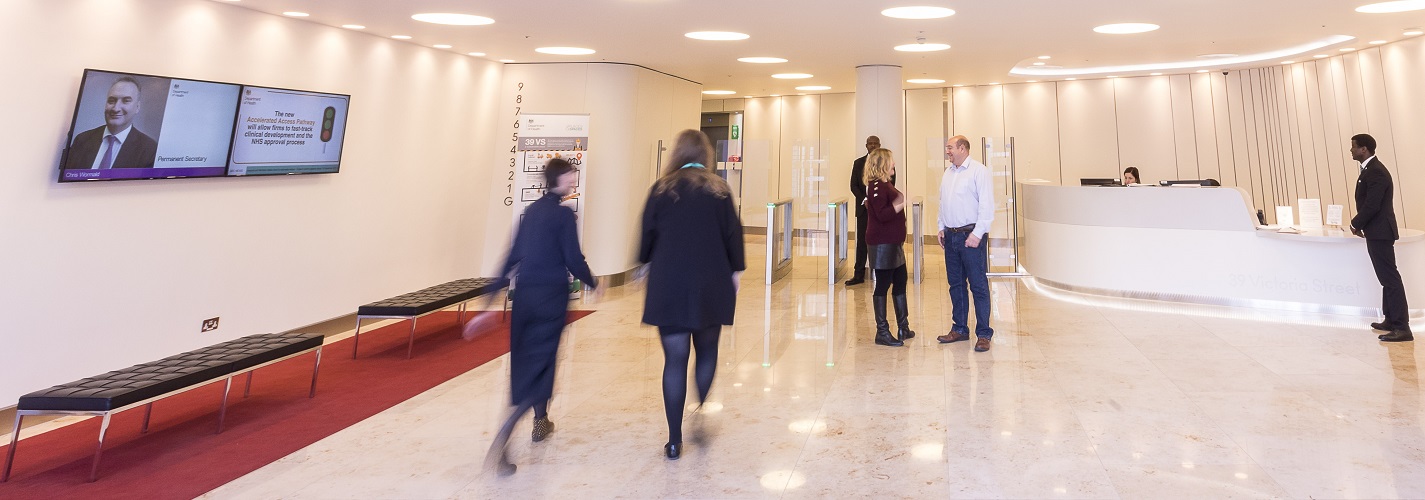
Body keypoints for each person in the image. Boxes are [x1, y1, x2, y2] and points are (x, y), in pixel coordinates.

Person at [484, 158, 599, 475]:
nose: (575, 179)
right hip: (550, 299)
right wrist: (594, 282)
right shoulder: (564, 215)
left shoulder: (532, 213)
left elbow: (512, 256)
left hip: (524, 299)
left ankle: (540, 420)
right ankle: (508, 432)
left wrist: (491, 297)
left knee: (526, 362)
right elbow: (573, 258)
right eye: (572, 174)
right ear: (560, 179)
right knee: (543, 363)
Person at [639, 129, 745, 460]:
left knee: (674, 360)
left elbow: (645, 241)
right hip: (710, 281)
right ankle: (699, 408)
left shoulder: (660, 189)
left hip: (669, 283)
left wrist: (645, 266)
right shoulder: (720, 190)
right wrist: (736, 271)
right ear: (706, 155)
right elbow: (734, 236)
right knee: (707, 349)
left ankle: (673, 440)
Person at [1348, 134, 1411, 342]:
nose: (1351, 150)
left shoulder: (1376, 172)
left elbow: (1372, 205)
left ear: (1364, 149)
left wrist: (1355, 223)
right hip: (1376, 231)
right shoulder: (1369, 170)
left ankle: (1402, 327)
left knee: (1391, 279)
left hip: (1380, 232)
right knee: (1386, 279)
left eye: (1354, 147)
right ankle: (1391, 319)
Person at [935, 135, 996, 352]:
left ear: (963, 148)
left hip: (971, 237)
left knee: (978, 286)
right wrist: (941, 227)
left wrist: (977, 234)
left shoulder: (979, 171)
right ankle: (960, 328)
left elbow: (987, 207)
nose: (947, 152)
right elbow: (943, 202)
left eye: (950, 148)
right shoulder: (948, 173)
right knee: (956, 285)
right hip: (951, 237)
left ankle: (984, 334)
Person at [863, 148, 916, 346]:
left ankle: (903, 327)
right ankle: (882, 332)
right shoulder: (876, 186)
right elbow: (883, 214)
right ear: (883, 163)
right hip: (882, 244)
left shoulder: (885, 184)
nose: (894, 164)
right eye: (892, 160)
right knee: (883, 285)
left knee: (900, 281)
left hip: (893, 244)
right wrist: (902, 203)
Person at [63, 76, 158, 170]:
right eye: (111, 101)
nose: (116, 108)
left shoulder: (149, 149)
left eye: (125, 101)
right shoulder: (82, 140)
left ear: (137, 107)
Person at [846, 135, 895, 285]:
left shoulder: (887, 163)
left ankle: (885, 274)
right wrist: (865, 199)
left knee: (883, 242)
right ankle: (858, 275)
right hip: (864, 210)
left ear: (879, 145)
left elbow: (891, 184)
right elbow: (853, 185)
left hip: (882, 210)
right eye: (870, 143)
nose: (872, 146)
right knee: (862, 242)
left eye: (875, 143)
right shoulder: (858, 163)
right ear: (866, 145)